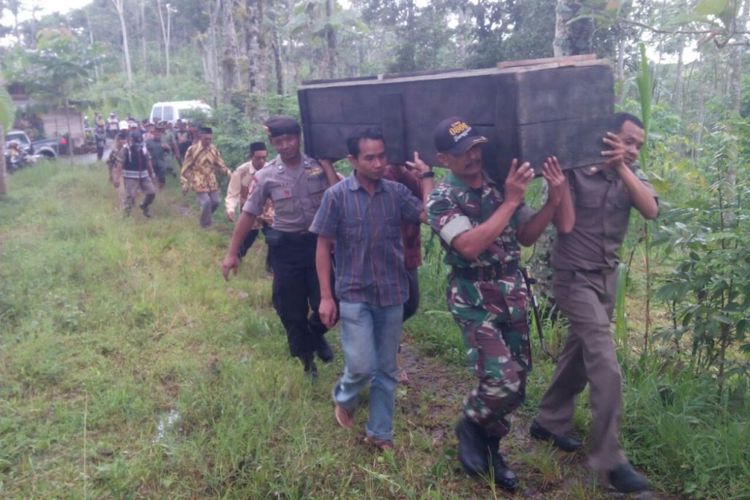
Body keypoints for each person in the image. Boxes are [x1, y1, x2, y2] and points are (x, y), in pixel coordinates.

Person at [425, 116, 574, 492]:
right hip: (473, 296)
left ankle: (491, 450)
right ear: (444, 159)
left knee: (518, 381)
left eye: (476, 147)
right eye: (462, 152)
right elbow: (470, 246)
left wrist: (553, 201)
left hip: (512, 291)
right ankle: (470, 425)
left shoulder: (496, 185)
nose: (473, 156)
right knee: (500, 380)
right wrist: (510, 201)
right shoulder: (442, 199)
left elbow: (525, 236)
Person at [530, 113, 658, 494]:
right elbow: (565, 225)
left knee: (578, 354)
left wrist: (622, 169)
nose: (633, 150)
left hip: (606, 278)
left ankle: (549, 420)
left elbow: (650, 209)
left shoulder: (631, 175)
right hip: (574, 278)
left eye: (638, 145)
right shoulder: (575, 168)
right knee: (605, 364)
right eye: (628, 141)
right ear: (608, 138)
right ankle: (610, 461)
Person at [311, 129, 432, 451]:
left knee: (386, 370)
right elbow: (323, 245)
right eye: (370, 158)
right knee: (362, 365)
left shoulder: (396, 193)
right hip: (353, 292)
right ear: (353, 160)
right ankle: (345, 395)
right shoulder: (336, 196)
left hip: (392, 293)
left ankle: (380, 433)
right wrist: (325, 295)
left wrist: (428, 177)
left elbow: (430, 215)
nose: (379, 163)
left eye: (382, 156)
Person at [222, 116, 339, 378]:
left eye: (290, 139)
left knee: (332, 301)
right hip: (287, 250)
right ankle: (307, 361)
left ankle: (315, 333)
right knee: (290, 309)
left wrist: (328, 166)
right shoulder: (266, 176)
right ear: (272, 142)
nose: (285, 145)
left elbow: (341, 193)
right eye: (279, 141)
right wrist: (232, 253)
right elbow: (249, 214)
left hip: (318, 246)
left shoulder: (319, 166)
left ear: (299, 137)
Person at [225, 142, 273, 260]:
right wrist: (230, 209)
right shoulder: (241, 171)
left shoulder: (271, 169)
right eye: (258, 158)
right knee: (247, 238)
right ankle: (236, 259)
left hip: (268, 210)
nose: (261, 161)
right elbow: (233, 193)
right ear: (251, 156)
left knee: (274, 237)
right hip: (249, 211)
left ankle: (271, 266)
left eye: (264, 157)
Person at [180, 127, 231, 228]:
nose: (208, 141)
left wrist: (228, 173)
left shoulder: (213, 149)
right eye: (206, 139)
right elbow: (186, 166)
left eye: (210, 139)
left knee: (216, 201)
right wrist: (186, 181)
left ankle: (206, 218)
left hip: (211, 179)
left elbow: (219, 163)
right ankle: (205, 225)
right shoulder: (192, 149)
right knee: (206, 202)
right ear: (200, 137)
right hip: (198, 179)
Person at [113, 131, 157, 218]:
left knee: (152, 192)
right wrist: (117, 178)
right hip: (130, 176)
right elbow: (120, 164)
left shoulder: (144, 148)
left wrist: (152, 174)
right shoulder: (125, 149)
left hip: (144, 175)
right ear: (131, 140)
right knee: (130, 196)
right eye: (137, 142)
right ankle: (126, 215)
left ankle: (144, 205)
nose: (138, 144)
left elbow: (148, 161)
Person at [108, 131, 130, 209]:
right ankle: (123, 207)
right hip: (117, 171)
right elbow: (110, 164)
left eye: (124, 140)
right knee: (121, 191)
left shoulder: (129, 151)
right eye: (121, 140)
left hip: (127, 172)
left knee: (129, 191)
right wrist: (111, 175)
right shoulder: (114, 152)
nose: (123, 142)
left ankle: (128, 206)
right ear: (118, 141)